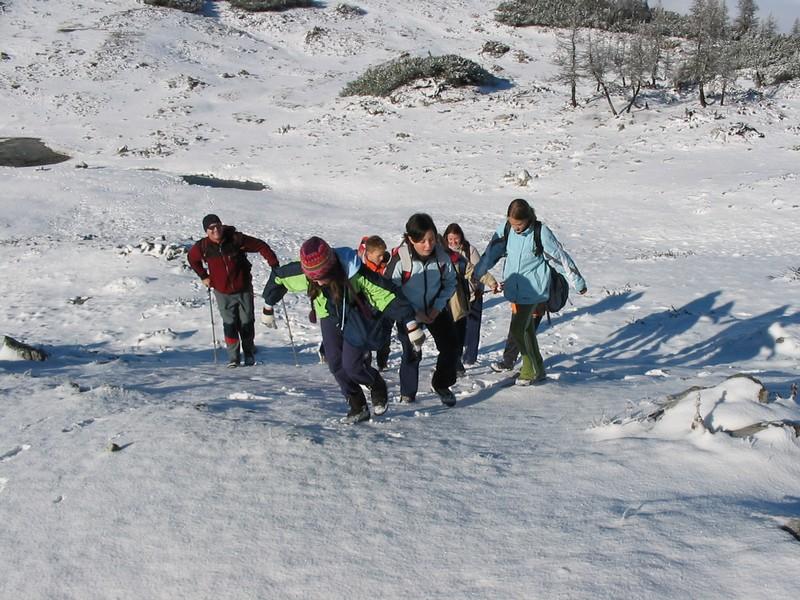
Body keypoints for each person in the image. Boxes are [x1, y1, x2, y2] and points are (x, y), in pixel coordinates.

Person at [262, 236, 423, 424]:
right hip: (327, 315)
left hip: (354, 313)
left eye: (323, 277)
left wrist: (410, 323)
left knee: (352, 366)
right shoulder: (305, 274)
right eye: (314, 278)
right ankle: (357, 405)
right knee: (335, 363)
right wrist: (268, 306)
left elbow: (385, 294)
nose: (319, 282)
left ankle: (375, 383)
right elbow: (279, 277)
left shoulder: (354, 272)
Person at [473, 199, 587, 385]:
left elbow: (560, 258)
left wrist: (578, 282)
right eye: (512, 223)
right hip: (514, 288)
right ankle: (539, 369)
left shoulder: (540, 232)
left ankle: (528, 370)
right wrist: (478, 273)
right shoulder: (506, 229)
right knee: (526, 331)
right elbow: (492, 252)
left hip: (534, 289)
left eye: (519, 224)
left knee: (518, 330)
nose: (516, 228)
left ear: (528, 218)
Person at [386, 213, 460, 406]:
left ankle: (441, 383)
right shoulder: (401, 259)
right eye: (422, 241)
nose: (428, 245)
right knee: (412, 351)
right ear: (411, 239)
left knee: (451, 347)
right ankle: (408, 393)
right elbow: (390, 290)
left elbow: (451, 282)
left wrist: (437, 307)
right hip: (409, 312)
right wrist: (413, 312)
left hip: (435, 309)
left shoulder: (442, 256)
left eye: (431, 239)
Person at [188, 214, 279, 368]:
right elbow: (192, 259)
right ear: (206, 231)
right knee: (230, 324)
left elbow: (260, 245)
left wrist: (274, 264)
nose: (216, 229)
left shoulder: (236, 239)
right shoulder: (203, 247)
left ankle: (249, 353)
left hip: (243, 288)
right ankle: (234, 358)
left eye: (218, 225)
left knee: (247, 322)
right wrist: (204, 276)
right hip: (222, 292)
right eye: (211, 227)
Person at [443, 223, 499, 373]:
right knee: (453, 332)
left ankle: (469, 358)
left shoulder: (469, 251)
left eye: (456, 238)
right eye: (450, 239)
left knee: (472, 328)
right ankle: (454, 360)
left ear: (461, 237)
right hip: (452, 300)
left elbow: (478, 271)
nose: (453, 242)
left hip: (473, 295)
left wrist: (489, 284)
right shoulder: (441, 254)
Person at [356, 235, 392, 370]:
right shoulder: (360, 265)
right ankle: (366, 365)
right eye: (379, 256)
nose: (382, 258)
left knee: (385, 334)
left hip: (384, 307)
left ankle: (383, 363)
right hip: (366, 307)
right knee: (366, 337)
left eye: (383, 255)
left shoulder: (385, 265)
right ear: (369, 254)